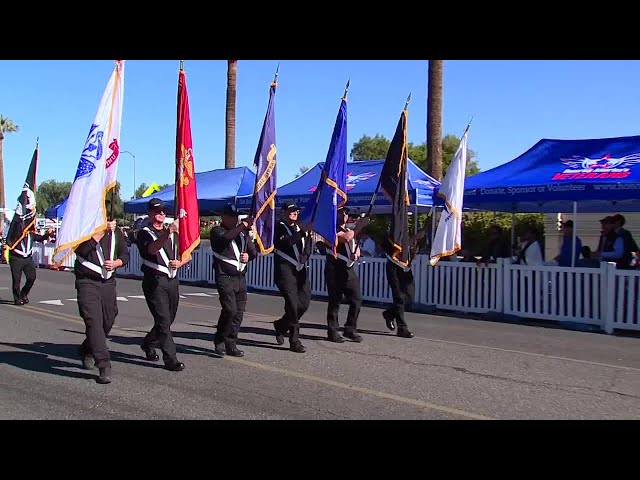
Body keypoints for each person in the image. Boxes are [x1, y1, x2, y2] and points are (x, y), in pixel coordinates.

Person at [136, 198, 191, 372]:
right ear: (150, 213)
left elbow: (188, 254)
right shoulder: (144, 232)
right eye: (157, 211)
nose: (161, 214)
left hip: (172, 280)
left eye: (163, 211)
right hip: (155, 280)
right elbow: (151, 249)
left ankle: (148, 342)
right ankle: (171, 358)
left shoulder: (174, 233)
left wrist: (180, 263)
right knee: (163, 320)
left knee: (169, 318)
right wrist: (167, 233)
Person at [74, 220, 129, 384]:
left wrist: (117, 263)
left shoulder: (115, 232)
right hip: (87, 281)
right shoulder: (82, 226)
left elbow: (125, 255)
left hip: (108, 283)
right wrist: (98, 235)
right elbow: (80, 250)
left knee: (108, 320)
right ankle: (104, 364)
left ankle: (88, 347)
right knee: (93, 322)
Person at [210, 204, 257, 357]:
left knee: (239, 313)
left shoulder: (241, 234)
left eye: (236, 216)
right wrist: (243, 225)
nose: (234, 219)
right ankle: (220, 338)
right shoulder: (217, 231)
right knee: (230, 310)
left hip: (240, 277)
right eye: (231, 216)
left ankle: (231, 342)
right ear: (224, 216)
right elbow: (225, 238)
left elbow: (253, 252)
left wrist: (249, 256)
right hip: (225, 276)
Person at [325, 207, 370, 343]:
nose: (345, 214)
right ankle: (332, 331)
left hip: (348, 269)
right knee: (335, 300)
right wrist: (359, 226)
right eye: (342, 212)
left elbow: (352, 242)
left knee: (357, 299)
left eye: (346, 212)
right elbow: (345, 238)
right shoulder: (330, 229)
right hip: (335, 268)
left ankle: (350, 328)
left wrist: (356, 252)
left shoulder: (348, 229)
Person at [272, 203, 313, 353]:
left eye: (296, 211)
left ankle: (281, 325)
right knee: (293, 305)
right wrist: (303, 232)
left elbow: (309, 245)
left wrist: (305, 256)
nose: (294, 213)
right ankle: (294, 341)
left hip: (300, 270)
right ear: (283, 212)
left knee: (304, 304)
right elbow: (286, 242)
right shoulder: (279, 227)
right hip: (285, 271)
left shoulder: (300, 228)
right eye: (291, 211)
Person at [381, 228, 426, 339]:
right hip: (394, 267)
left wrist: (415, 246)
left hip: (405, 269)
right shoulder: (393, 232)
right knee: (399, 297)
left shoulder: (412, 231)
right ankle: (402, 328)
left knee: (409, 297)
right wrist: (413, 238)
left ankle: (389, 313)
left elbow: (411, 254)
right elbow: (397, 248)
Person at [8, 226, 53, 305]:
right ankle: (17, 298)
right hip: (16, 258)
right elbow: (9, 239)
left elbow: (40, 238)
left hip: (27, 259)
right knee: (16, 280)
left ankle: (24, 294)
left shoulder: (31, 235)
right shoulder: (15, 234)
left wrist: (47, 234)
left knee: (31, 278)